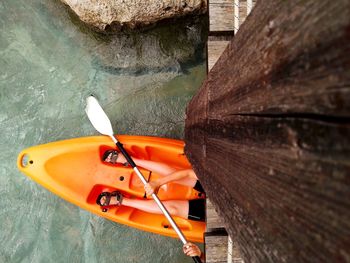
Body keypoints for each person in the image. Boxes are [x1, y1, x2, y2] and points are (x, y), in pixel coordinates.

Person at [99, 149, 205, 260]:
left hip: (214, 215)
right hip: (217, 191)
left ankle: (122, 200)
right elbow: (189, 173)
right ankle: (131, 160)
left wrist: (200, 255)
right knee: (186, 177)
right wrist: (158, 182)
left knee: (173, 209)